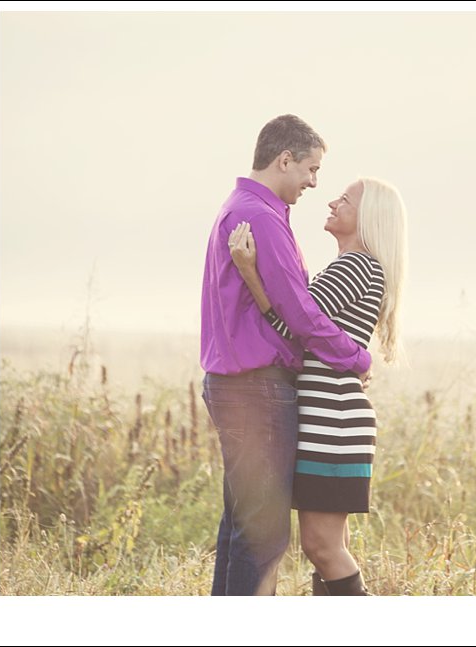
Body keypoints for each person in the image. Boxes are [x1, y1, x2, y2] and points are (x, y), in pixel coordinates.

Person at [200, 114, 372, 596]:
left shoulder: (248, 208)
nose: (315, 182)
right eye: (311, 169)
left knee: (243, 529)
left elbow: (289, 308)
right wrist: (359, 360)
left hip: (239, 383)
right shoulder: (260, 215)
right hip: (257, 387)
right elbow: (303, 317)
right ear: (284, 159)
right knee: (263, 536)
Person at [228, 176, 408, 595]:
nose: (332, 201)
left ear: (368, 218)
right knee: (330, 544)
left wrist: (249, 272)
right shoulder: (356, 267)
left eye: (345, 199)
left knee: (322, 545)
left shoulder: (357, 266)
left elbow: (295, 324)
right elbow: (303, 325)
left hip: (334, 421)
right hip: (335, 419)